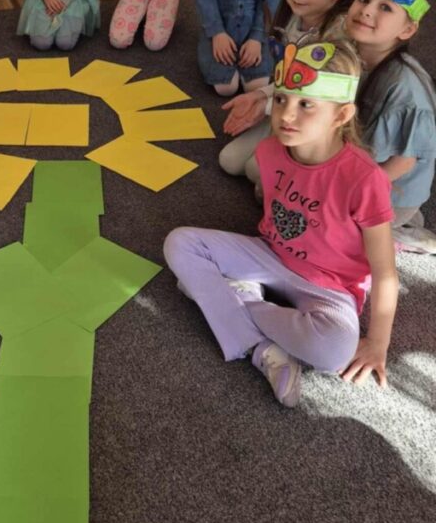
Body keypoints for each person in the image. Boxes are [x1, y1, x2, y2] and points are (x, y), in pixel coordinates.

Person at [164, 38, 398, 407]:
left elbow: (385, 271)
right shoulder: (270, 151)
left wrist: (378, 343)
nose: (286, 115)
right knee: (179, 243)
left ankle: (234, 298)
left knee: (334, 351)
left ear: (340, 116)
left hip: (330, 286)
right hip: (270, 255)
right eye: (282, 99)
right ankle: (261, 348)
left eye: (306, 104)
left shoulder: (365, 179)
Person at [218, 0, 362, 188]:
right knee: (229, 161)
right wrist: (260, 95)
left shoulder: (338, 36)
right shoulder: (292, 20)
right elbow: (288, 77)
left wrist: (266, 105)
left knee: (255, 170)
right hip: (284, 106)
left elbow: (314, 98)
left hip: (312, 120)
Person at [346, 0, 436, 253]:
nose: (367, 10)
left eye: (385, 7)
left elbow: (403, 162)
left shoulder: (405, 89)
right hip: (360, 163)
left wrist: (352, 194)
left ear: (407, 29)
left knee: (323, 225)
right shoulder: (353, 55)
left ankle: (399, 231)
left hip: (391, 189)